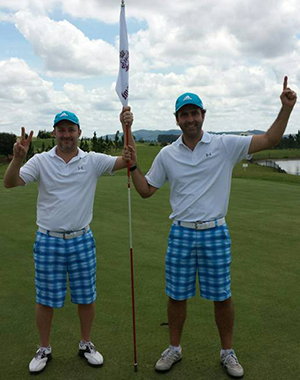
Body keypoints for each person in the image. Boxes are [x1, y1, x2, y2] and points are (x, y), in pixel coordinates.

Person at [126, 76, 297, 378]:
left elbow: (270, 140)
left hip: (215, 230)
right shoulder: (167, 154)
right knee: (176, 295)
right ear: (177, 119)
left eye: (195, 113)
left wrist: (286, 109)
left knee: (222, 296)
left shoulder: (224, 145)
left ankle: (227, 352)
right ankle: (174, 348)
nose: (190, 119)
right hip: (180, 231)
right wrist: (133, 165)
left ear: (203, 115)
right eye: (184, 114)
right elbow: (145, 190)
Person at [3, 108, 134, 374]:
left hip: (81, 239)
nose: (66, 135)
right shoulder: (40, 161)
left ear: (79, 133)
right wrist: (17, 159)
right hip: (48, 239)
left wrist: (127, 126)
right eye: (61, 130)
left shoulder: (93, 160)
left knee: (86, 297)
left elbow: (126, 160)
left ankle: (85, 344)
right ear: (54, 133)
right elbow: (10, 182)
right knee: (45, 299)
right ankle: (44, 348)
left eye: (70, 130)